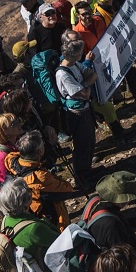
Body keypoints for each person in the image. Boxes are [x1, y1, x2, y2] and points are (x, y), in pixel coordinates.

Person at [83, 172, 136, 272]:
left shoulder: (95, 199)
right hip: (117, 268)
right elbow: (131, 256)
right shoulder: (111, 225)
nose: (129, 201)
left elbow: (115, 218)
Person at [4, 130, 78, 229]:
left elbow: (14, 155)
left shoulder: (11, 161)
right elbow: (68, 190)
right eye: (43, 144)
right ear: (39, 151)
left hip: (31, 215)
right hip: (51, 222)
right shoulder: (41, 178)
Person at [55, 38, 99, 191]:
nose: (82, 56)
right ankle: (82, 178)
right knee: (81, 145)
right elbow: (83, 94)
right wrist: (86, 85)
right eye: (80, 53)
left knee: (90, 141)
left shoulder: (74, 65)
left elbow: (92, 75)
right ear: (73, 55)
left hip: (84, 109)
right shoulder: (63, 74)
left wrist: (85, 84)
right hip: (76, 113)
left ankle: (88, 171)